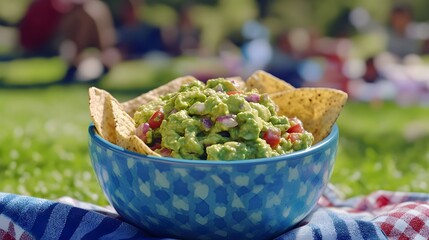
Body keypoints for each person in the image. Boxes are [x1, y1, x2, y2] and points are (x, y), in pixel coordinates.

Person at [18, 0, 120, 83]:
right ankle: (83, 61)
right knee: (86, 11)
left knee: (93, 9)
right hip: (47, 42)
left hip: (74, 46)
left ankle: (87, 61)